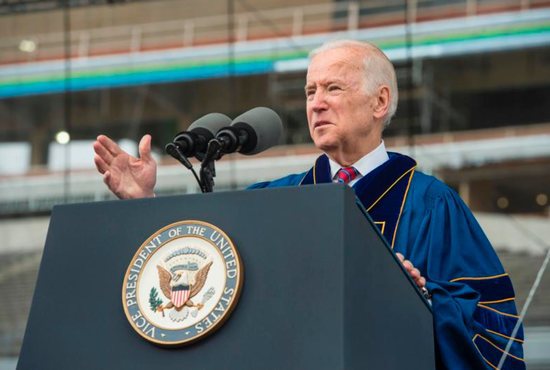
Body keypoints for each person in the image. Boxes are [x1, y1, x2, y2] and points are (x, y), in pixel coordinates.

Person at [94, 39, 525, 369]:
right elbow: (202, 267)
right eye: (310, 90)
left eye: (333, 88)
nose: (316, 103)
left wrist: (421, 300)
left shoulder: (431, 204)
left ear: (380, 102)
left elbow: (495, 329)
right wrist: (143, 202)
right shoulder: (273, 202)